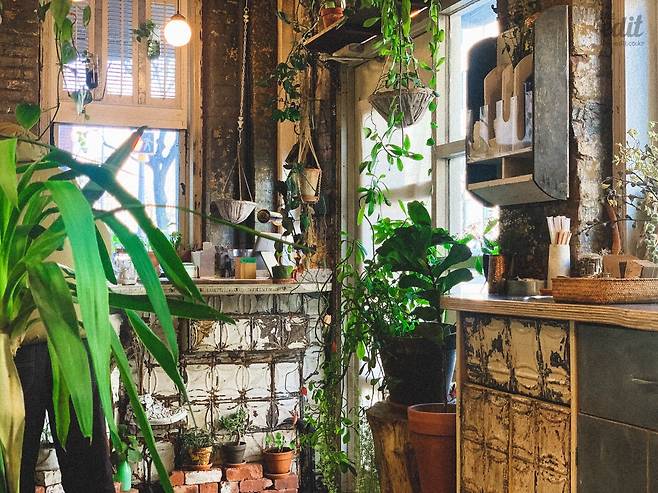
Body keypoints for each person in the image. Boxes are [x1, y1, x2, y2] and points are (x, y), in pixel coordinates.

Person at [1, 123, 116, 493]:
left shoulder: (6, 185)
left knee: (12, 472)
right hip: (76, 342)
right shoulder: (65, 183)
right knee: (89, 473)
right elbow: (103, 251)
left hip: (15, 350)